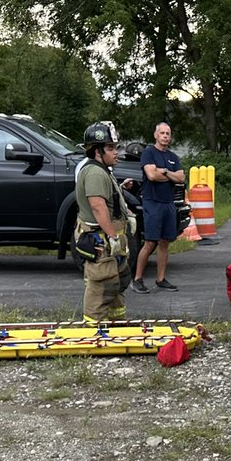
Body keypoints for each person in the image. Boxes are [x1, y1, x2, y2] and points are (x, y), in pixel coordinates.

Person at [74, 121, 132, 322]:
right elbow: (98, 207)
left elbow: (108, 203)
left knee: (116, 283)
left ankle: (117, 324)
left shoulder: (103, 170)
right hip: (101, 239)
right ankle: (94, 330)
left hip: (109, 238)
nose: (116, 152)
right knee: (101, 284)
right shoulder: (96, 172)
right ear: (97, 151)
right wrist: (113, 236)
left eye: (115, 147)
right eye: (110, 148)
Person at [131, 121, 185, 293]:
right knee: (150, 242)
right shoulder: (149, 153)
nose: (165, 136)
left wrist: (166, 172)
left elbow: (181, 178)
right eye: (162, 133)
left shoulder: (173, 157)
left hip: (168, 203)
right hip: (152, 202)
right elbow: (152, 175)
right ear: (155, 135)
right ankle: (137, 279)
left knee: (164, 242)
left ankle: (160, 279)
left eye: (168, 133)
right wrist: (169, 175)